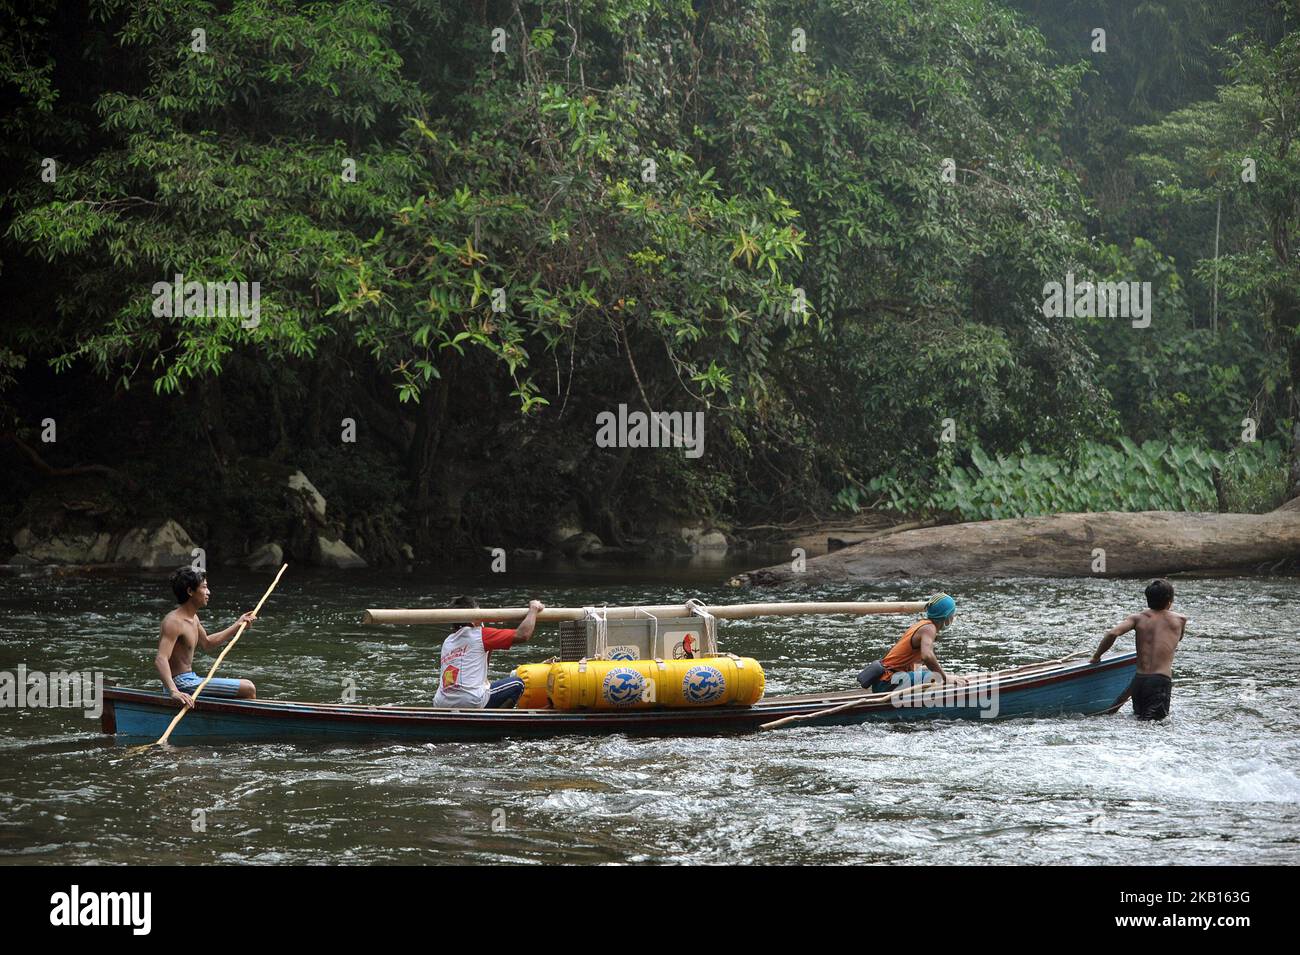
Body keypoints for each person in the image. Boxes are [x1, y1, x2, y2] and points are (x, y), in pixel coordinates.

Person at [156, 567, 258, 708]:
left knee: (247, 689)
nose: (208, 592)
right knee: (248, 688)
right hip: (180, 684)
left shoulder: (193, 618)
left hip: (191, 679)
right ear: (190, 591)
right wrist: (174, 691)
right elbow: (161, 659)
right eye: (204, 587)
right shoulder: (173, 621)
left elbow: (208, 643)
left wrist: (237, 625)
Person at [1092, 578, 1187, 721]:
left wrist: (1096, 656)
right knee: (1155, 726)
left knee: (1140, 721)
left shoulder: (1137, 618)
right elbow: (1178, 639)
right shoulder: (1180, 620)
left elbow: (1112, 633)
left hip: (1139, 681)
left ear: (1148, 599)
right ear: (1170, 601)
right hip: (1160, 682)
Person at [433, 595, 544, 709]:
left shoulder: (448, 641)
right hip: (469, 701)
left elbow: (481, 670)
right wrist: (533, 609)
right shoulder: (481, 635)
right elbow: (523, 635)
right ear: (473, 618)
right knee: (517, 684)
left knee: (486, 686)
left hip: (440, 703)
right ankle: (498, 720)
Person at [857, 593, 965, 692]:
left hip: (883, 681)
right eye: (952, 614)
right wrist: (944, 678)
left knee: (929, 670)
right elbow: (927, 656)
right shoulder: (929, 628)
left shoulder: (922, 625)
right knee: (934, 676)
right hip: (888, 682)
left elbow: (913, 661)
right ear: (947, 617)